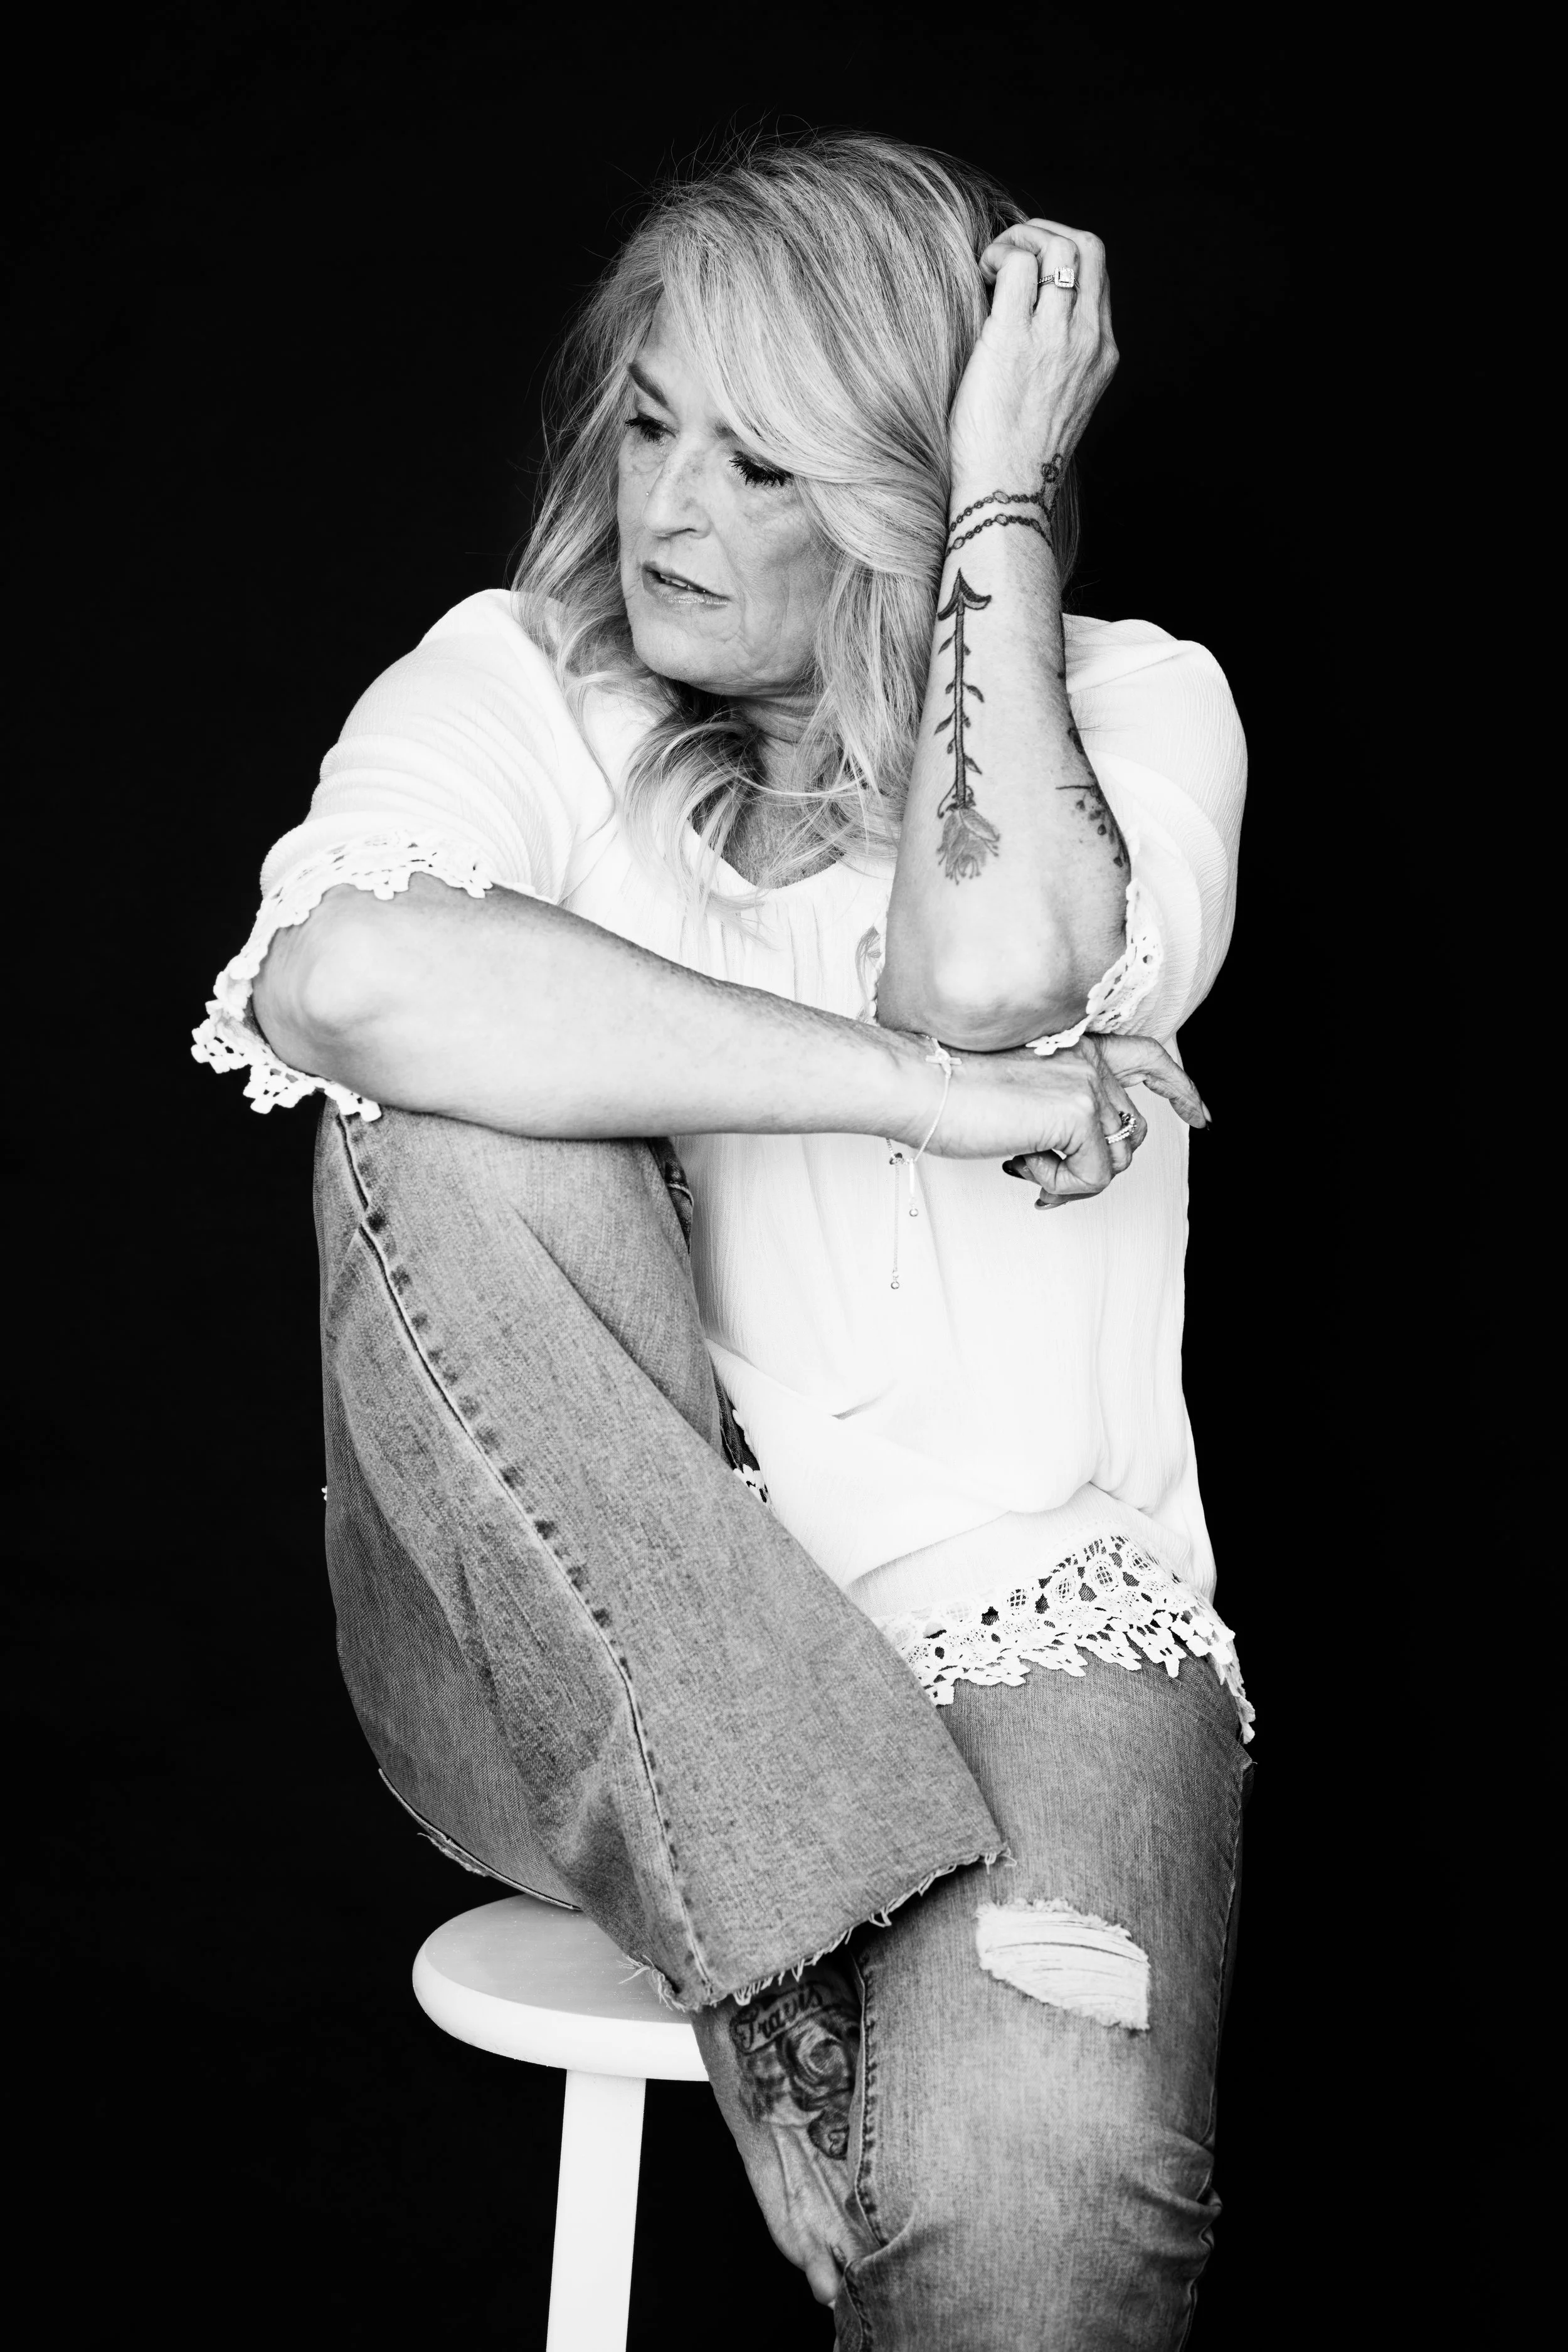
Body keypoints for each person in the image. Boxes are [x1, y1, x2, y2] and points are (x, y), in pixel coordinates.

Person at [195, 132, 1251, 2348]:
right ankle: (776, 1929)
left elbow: (994, 968)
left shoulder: (1133, 706)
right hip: (565, 1659)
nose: (663, 506)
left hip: (1015, 1621)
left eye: (763, 461)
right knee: (445, 1128)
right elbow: (346, 985)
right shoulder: (524, 679)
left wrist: (1004, 507)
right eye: (653, 420)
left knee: (1034, 2223)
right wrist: (930, 1104)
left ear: (902, 490)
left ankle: (777, 1900)